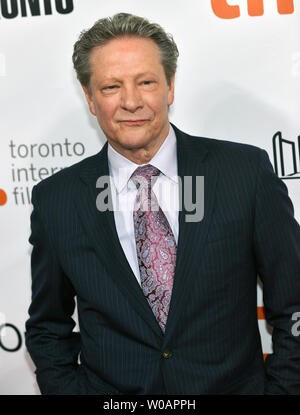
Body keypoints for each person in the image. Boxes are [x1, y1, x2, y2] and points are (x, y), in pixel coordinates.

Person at [25, 12, 300, 395]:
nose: (131, 101)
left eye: (146, 82)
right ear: (89, 98)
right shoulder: (57, 200)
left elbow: (294, 302)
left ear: (170, 87)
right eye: (111, 87)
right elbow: (47, 327)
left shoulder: (244, 173)